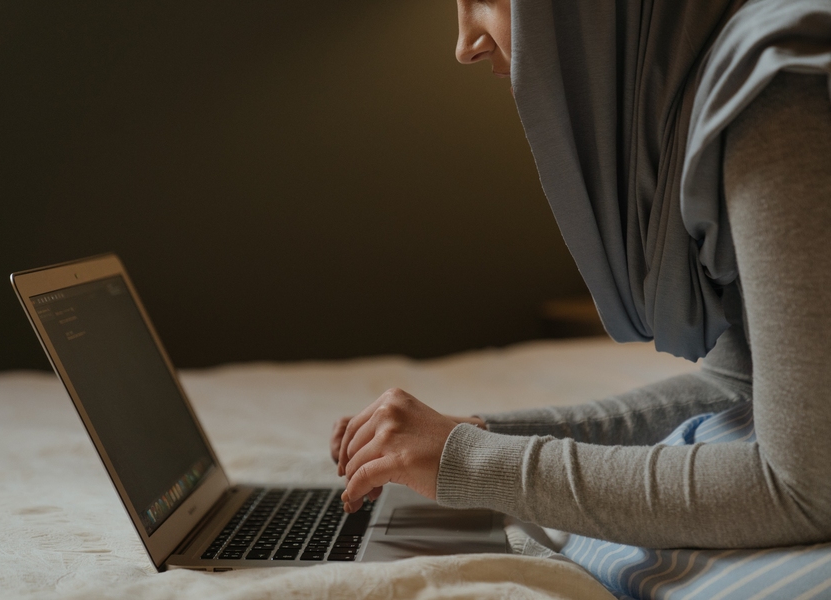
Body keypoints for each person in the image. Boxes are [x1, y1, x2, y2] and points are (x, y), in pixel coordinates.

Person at [330, 0, 831, 556]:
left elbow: (805, 489)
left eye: (485, 1)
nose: (465, 44)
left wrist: (468, 462)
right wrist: (475, 434)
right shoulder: (719, 89)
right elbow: (737, 389)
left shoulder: (782, 90)